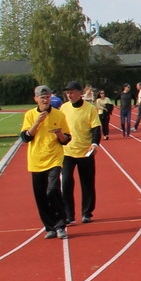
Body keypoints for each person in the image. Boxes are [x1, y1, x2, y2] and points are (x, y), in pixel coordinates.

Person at [20, 85, 72, 239]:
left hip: (54, 158)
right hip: (36, 160)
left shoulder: (59, 115)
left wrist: (60, 134)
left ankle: (60, 224)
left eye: (47, 97)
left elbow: (66, 140)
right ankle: (49, 227)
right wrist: (37, 122)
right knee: (41, 196)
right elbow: (26, 137)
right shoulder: (30, 115)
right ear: (35, 99)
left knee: (53, 190)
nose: (45, 100)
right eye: (42, 98)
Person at [59, 81, 101, 225]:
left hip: (85, 152)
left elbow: (96, 128)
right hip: (67, 152)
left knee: (87, 183)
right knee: (66, 183)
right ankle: (69, 215)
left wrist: (94, 144)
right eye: (67, 93)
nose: (69, 95)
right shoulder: (63, 108)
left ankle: (86, 212)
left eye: (71, 92)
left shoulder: (89, 109)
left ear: (79, 93)